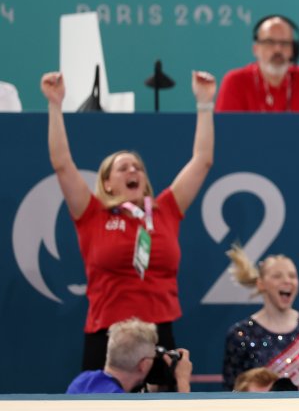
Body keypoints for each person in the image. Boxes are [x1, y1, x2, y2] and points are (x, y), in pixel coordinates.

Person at [41, 70, 216, 374]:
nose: (133, 170)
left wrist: (204, 103)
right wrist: (55, 105)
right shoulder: (91, 214)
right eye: (123, 168)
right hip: (107, 336)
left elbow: (202, 161)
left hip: (159, 333)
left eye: (137, 167)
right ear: (107, 183)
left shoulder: (165, 210)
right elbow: (61, 163)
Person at [222, 245, 299, 391]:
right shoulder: (241, 334)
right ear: (261, 284)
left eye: (292, 276)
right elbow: (232, 390)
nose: (287, 281)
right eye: (277, 276)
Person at [216, 15, 299, 112]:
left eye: (285, 43)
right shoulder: (235, 81)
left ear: (293, 50)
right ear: (255, 48)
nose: (278, 49)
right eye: (269, 42)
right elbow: (225, 134)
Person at [66, 318, 192, 393]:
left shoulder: (81, 381)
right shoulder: (121, 406)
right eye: (152, 357)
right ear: (143, 365)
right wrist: (182, 380)